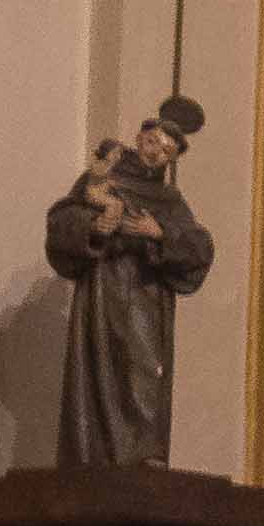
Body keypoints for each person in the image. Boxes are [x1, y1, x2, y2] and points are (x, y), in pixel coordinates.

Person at [43, 95, 212, 467]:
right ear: (139, 138)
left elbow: (200, 248)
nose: (155, 154)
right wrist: (94, 228)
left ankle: (142, 456)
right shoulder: (104, 181)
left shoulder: (168, 200)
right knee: (100, 376)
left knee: (142, 380)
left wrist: (160, 233)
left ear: (170, 160)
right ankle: (95, 459)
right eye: (153, 143)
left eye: (165, 152)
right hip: (103, 298)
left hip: (147, 304)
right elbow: (60, 223)